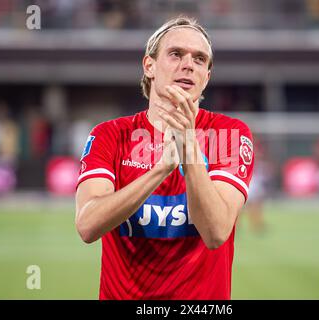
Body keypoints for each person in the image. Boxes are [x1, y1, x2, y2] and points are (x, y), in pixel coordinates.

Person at [75, 16, 255, 300]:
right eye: (175, 54)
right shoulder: (110, 134)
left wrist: (189, 147)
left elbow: (216, 232)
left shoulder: (229, 134)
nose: (188, 64)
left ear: (206, 77)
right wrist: (161, 170)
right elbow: (87, 226)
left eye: (199, 59)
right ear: (149, 66)